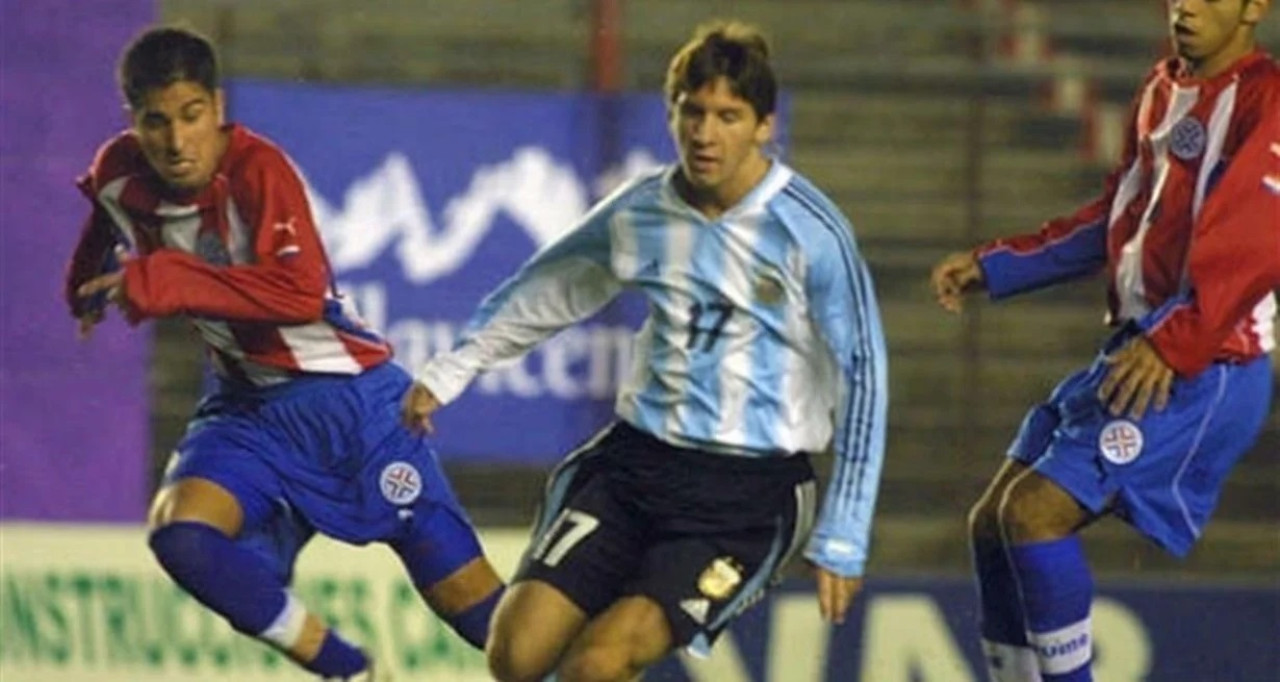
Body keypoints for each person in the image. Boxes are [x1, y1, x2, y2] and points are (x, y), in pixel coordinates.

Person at [401, 20, 890, 682]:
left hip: (748, 495)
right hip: (636, 466)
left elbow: (866, 378)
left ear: (764, 126)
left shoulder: (811, 231)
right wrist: (452, 370)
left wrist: (845, 531)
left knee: (598, 663)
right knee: (516, 655)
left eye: (728, 116)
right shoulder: (643, 211)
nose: (706, 133)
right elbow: (551, 287)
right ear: (671, 114)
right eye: (692, 112)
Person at [68, 26, 505, 681]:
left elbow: (299, 295)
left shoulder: (256, 168)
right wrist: (85, 285)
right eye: (156, 122)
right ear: (134, 120)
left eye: (191, 117)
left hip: (351, 407)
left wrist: (157, 279)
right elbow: (106, 221)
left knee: (493, 628)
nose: (176, 141)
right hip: (246, 409)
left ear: (217, 108)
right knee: (181, 534)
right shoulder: (118, 170)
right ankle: (350, 671)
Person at [930, 1, 1278, 680]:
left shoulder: (1267, 100)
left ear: (1255, 6)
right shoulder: (1160, 88)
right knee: (991, 524)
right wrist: (1001, 265)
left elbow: (1258, 240)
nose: (1187, 5)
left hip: (1207, 364)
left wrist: (1173, 342)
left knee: (1032, 516)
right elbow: (1118, 218)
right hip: (1143, 345)